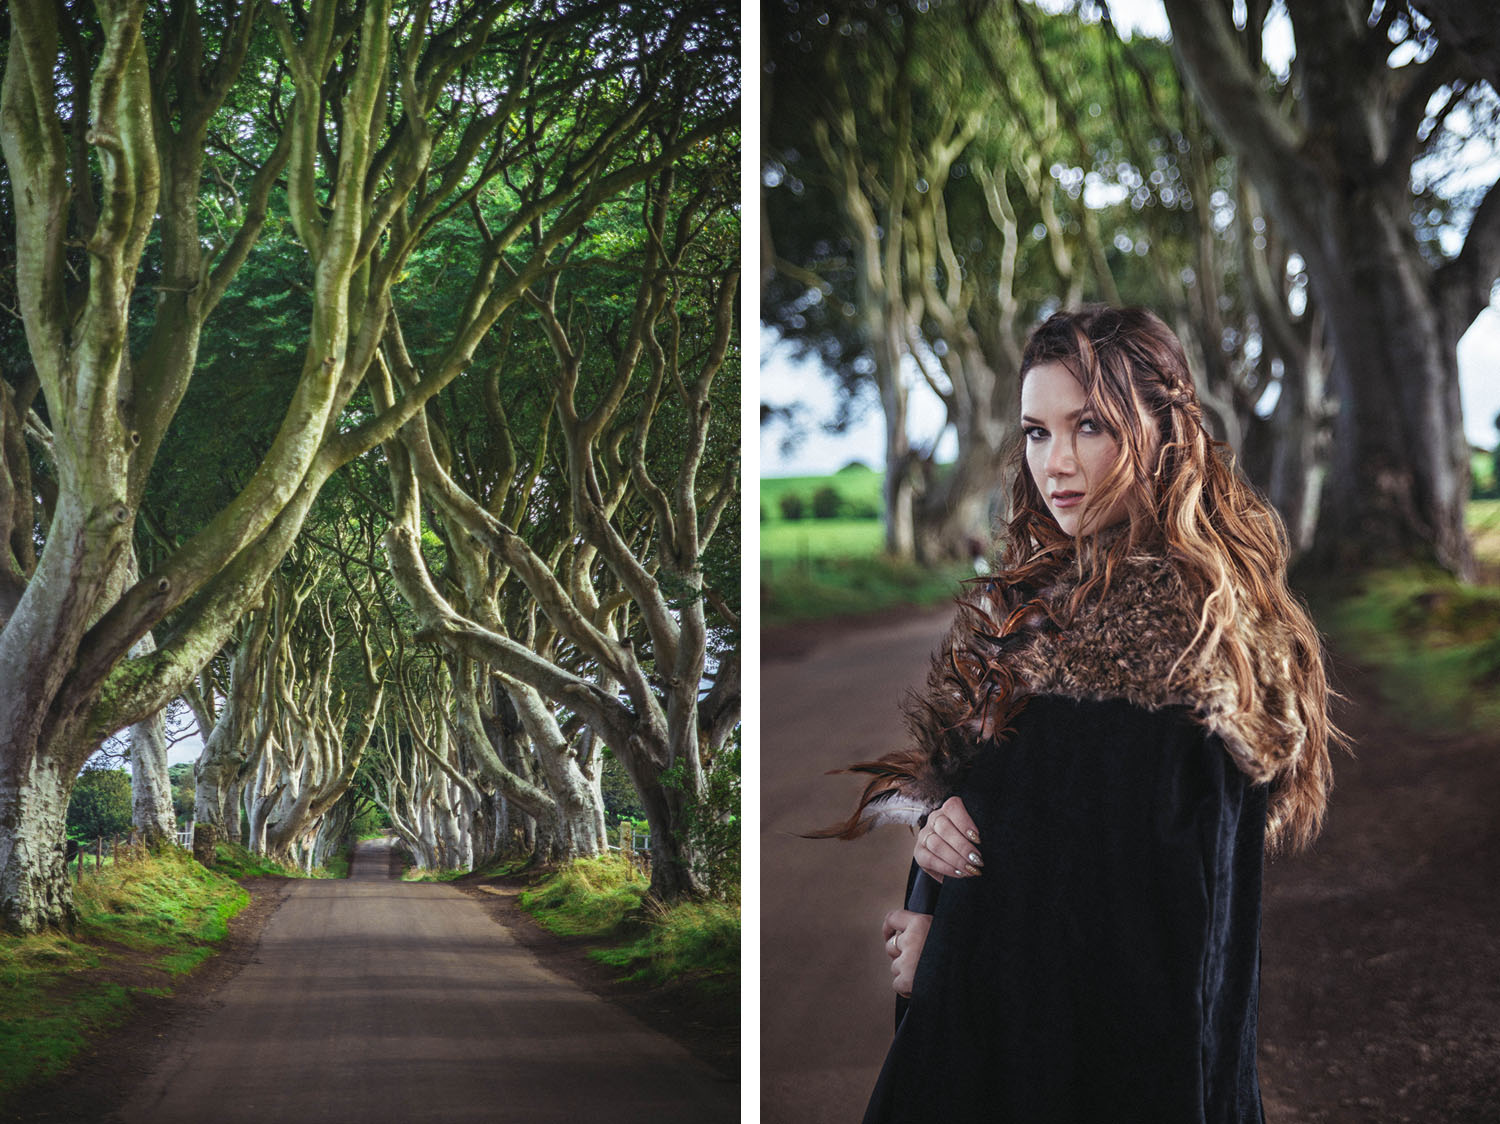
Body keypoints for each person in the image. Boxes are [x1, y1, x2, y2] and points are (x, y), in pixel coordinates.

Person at [824, 306, 1338, 1123]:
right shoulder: (1027, 613)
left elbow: (1148, 951)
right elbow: (1030, 826)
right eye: (1035, 432)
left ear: (1163, 430)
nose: (1055, 464)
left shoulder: (1188, 647)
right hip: (992, 1058)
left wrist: (955, 951)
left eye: (1089, 427)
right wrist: (936, 829)